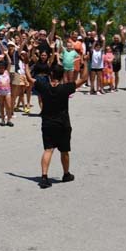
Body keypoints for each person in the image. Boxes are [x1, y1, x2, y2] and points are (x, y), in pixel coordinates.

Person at [29, 53, 90, 189]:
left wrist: (27, 65)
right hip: (63, 123)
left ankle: (44, 177)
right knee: (64, 151)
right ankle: (66, 174)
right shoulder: (65, 88)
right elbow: (84, 78)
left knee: (48, 150)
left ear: (51, 75)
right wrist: (85, 63)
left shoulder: (44, 86)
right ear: (62, 76)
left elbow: (30, 79)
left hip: (47, 123)